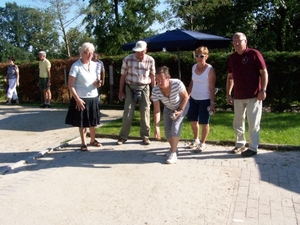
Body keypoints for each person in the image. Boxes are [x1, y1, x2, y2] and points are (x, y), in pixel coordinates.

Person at [226, 32, 268, 157]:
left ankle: (253, 147)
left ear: (246, 41)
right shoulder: (232, 58)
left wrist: (263, 90)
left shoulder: (254, 54)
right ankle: (240, 144)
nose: (237, 44)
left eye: (239, 41)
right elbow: (230, 77)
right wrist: (228, 93)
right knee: (238, 122)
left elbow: (264, 73)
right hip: (238, 96)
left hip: (254, 95)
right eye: (234, 41)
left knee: (253, 122)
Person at [65, 42, 103, 151]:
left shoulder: (96, 65)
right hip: (81, 98)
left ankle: (93, 139)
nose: (89, 55)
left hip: (94, 96)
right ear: (81, 53)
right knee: (82, 122)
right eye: (86, 53)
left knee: (93, 121)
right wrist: (77, 99)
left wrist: (98, 83)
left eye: (91, 53)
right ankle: (83, 143)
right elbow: (70, 85)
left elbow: (97, 82)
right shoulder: (76, 66)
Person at [117, 40, 156, 145]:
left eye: (141, 51)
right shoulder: (127, 59)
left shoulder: (150, 60)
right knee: (128, 111)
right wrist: (120, 91)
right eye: (137, 51)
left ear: (145, 50)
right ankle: (123, 136)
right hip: (130, 86)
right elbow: (122, 76)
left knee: (145, 111)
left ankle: (145, 136)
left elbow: (152, 77)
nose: (138, 53)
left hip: (144, 86)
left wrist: (154, 91)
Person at [152, 66, 189, 164]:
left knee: (175, 127)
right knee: (167, 129)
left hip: (182, 105)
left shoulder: (177, 84)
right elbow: (156, 110)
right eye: (157, 80)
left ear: (168, 78)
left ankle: (173, 153)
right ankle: (174, 148)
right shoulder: (155, 90)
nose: (159, 82)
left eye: (161, 80)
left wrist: (180, 110)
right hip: (168, 108)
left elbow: (185, 97)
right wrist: (156, 127)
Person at [187, 46, 216, 153]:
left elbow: (212, 87)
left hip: (205, 99)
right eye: (197, 56)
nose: (199, 58)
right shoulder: (193, 67)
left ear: (206, 57)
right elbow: (192, 82)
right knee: (193, 121)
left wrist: (212, 103)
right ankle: (196, 139)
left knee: (204, 122)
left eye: (202, 56)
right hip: (193, 98)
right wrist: (187, 95)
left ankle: (203, 143)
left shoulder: (210, 70)